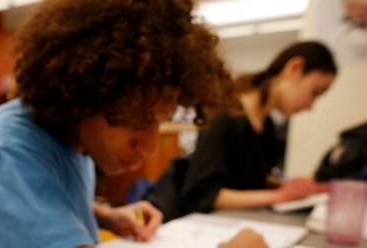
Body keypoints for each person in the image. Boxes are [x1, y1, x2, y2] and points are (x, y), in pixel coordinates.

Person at [0, 0, 274, 248]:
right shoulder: (9, 145)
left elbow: (36, 202)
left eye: (159, 120)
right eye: (138, 121)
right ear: (85, 95)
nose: (150, 145)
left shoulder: (72, 136)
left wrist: (104, 216)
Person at [144, 41, 337, 222]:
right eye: (314, 92)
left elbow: (250, 177)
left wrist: (290, 186)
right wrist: (278, 195)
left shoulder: (267, 124)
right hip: (187, 224)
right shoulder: (226, 115)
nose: (310, 106)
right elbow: (201, 193)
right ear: (294, 68)